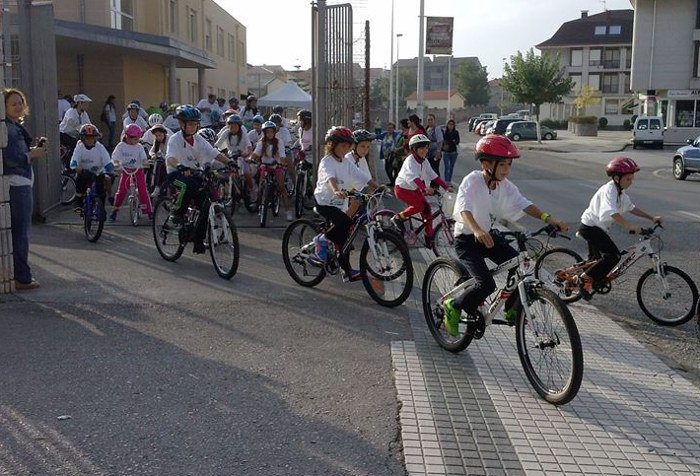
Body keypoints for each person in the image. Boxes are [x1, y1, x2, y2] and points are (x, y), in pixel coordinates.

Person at [442, 134, 568, 337]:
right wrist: (477, 230)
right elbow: (463, 209)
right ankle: (454, 305)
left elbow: (524, 203)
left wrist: (548, 218)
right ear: (486, 164)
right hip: (467, 239)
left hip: (488, 236)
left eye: (509, 165)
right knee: (487, 284)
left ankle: (512, 309)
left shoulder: (504, 185)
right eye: (502, 165)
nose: (507, 170)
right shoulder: (472, 180)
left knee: (518, 265)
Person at [575, 157, 662, 298]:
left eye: (632, 178)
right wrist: (628, 225)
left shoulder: (620, 193)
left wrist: (651, 217)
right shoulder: (609, 190)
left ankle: (588, 279)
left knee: (598, 262)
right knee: (613, 256)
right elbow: (610, 211)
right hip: (590, 227)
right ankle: (582, 280)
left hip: (599, 229)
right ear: (616, 178)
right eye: (628, 179)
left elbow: (632, 208)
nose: (631, 182)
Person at [312, 126, 381, 282]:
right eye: (342, 145)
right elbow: (331, 178)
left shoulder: (346, 162)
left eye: (347, 146)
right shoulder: (327, 161)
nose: (345, 149)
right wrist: (336, 190)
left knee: (345, 238)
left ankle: (347, 271)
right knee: (345, 223)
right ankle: (321, 240)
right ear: (332, 145)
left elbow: (362, 176)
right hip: (325, 202)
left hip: (339, 203)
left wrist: (378, 187)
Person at [165, 104, 232, 252]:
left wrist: (229, 162)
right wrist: (180, 166)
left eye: (195, 124)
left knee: (206, 204)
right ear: (181, 124)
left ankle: (198, 239)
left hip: (195, 173)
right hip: (175, 174)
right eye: (190, 124)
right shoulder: (174, 139)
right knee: (187, 186)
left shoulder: (198, 139)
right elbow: (170, 158)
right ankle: (177, 212)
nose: (193, 127)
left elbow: (214, 152)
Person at [2, 88, 47, 290]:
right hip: (17, 184)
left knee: (18, 233)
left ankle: (18, 274)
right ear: (4, 107)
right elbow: (11, 159)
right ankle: (22, 277)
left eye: (20, 102)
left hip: (19, 183)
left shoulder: (13, 127)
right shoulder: (10, 129)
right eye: (13, 103)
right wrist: (32, 155)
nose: (19, 106)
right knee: (21, 233)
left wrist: (32, 151)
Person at [390, 134, 454, 246]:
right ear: (414, 150)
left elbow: (433, 176)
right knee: (419, 206)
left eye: (426, 147)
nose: (425, 150)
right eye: (421, 148)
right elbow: (413, 177)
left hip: (414, 189)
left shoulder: (424, 161)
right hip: (402, 189)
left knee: (427, 210)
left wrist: (446, 187)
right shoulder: (410, 161)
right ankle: (398, 218)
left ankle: (429, 237)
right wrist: (424, 189)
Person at [250, 120, 293, 220]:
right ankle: (259, 204)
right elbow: (256, 153)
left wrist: (282, 161)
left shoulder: (279, 141)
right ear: (264, 133)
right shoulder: (261, 142)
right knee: (260, 186)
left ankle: (288, 211)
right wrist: (251, 158)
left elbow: (282, 154)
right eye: (267, 132)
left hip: (276, 166)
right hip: (265, 165)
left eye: (271, 132)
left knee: (282, 188)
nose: (269, 134)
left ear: (274, 132)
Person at [109, 124, 153, 221]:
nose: (137, 140)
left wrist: (145, 165)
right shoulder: (121, 146)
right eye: (134, 138)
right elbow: (115, 158)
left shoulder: (139, 147)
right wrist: (117, 165)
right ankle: (115, 210)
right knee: (122, 191)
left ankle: (149, 211)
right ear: (127, 137)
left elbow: (143, 158)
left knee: (142, 190)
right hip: (126, 170)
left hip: (138, 170)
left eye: (138, 138)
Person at [69, 124, 113, 213]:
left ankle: (102, 208)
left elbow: (106, 160)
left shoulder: (100, 147)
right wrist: (74, 166)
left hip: (98, 172)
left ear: (95, 138)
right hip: (84, 172)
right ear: (82, 139)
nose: (89, 140)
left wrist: (110, 170)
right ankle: (78, 204)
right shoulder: (79, 147)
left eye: (92, 138)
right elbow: (74, 160)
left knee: (101, 190)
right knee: (80, 183)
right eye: (87, 138)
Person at [215, 114, 255, 197]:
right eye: (231, 126)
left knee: (246, 172)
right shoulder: (226, 132)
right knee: (228, 172)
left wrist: (247, 153)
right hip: (231, 155)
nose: (233, 128)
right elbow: (218, 144)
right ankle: (231, 194)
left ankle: (252, 190)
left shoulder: (243, 133)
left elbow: (249, 146)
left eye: (235, 126)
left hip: (242, 156)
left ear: (239, 126)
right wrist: (214, 149)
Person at [59, 93, 92, 164]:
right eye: (85, 104)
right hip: (63, 134)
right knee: (75, 145)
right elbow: (71, 122)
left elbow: (89, 125)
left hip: (74, 135)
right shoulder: (71, 111)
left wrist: (96, 131)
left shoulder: (84, 114)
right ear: (80, 103)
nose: (87, 106)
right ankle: (69, 166)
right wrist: (79, 128)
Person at [147, 123, 170, 198]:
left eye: (160, 135)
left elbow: (170, 153)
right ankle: (148, 185)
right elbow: (151, 151)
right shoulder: (156, 142)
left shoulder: (169, 140)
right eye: (156, 136)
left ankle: (157, 187)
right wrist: (153, 155)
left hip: (171, 161)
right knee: (149, 164)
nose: (158, 137)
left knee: (160, 166)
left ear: (164, 134)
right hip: (163, 159)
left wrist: (161, 156)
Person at [442, 119, 460, 183]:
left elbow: (457, 141)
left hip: (453, 152)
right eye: (449, 124)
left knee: (451, 167)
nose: (451, 126)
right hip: (446, 152)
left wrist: (453, 141)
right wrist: (451, 141)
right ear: (447, 125)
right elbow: (443, 141)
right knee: (447, 167)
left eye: (452, 124)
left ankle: (449, 180)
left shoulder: (456, 132)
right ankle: (446, 181)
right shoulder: (445, 132)